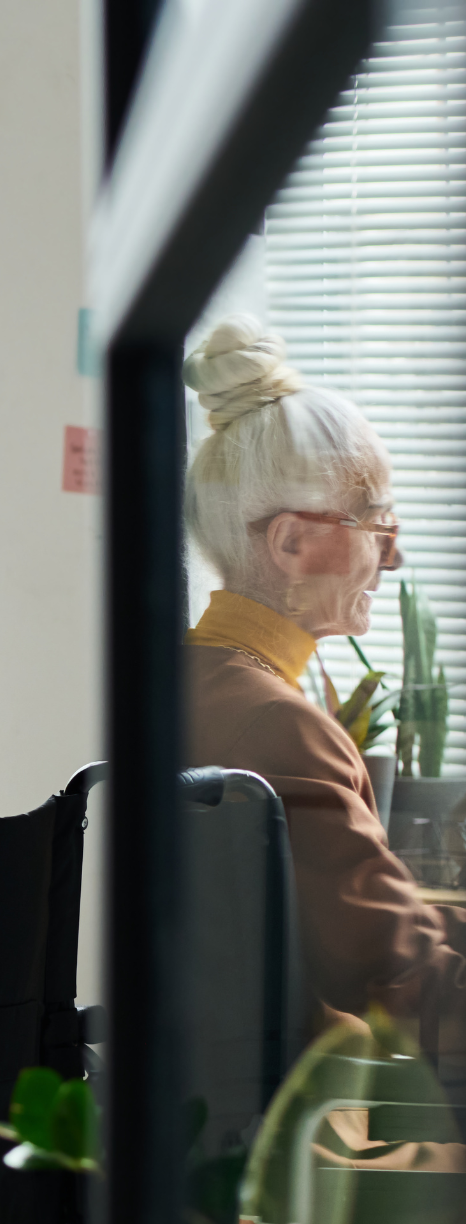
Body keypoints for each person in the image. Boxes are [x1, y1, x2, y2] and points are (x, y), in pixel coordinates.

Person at [180, 316, 464, 1049]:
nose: (392, 558)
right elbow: (392, 974)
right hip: (306, 1139)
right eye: (375, 523)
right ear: (292, 542)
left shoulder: (185, 684)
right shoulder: (276, 725)